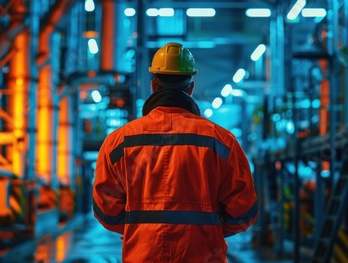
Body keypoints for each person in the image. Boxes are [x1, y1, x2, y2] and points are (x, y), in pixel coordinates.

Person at [92, 42, 258, 262]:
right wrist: (210, 230)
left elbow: (106, 210)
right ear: (190, 87)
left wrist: (141, 229)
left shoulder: (119, 142)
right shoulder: (221, 142)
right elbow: (244, 211)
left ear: (153, 86)